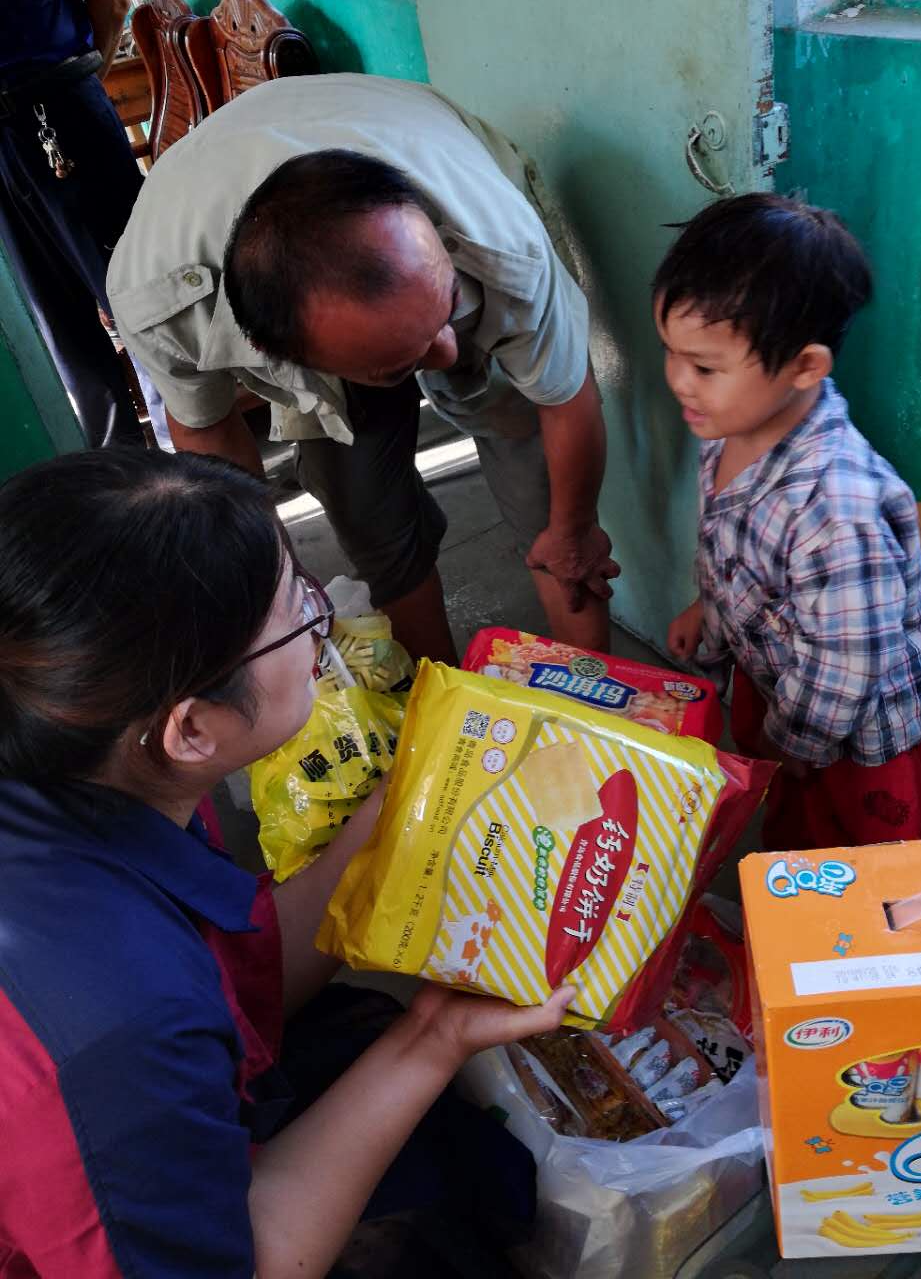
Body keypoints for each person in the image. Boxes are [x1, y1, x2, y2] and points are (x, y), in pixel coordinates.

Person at [0, 446, 573, 1278]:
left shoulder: (93, 763)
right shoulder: (112, 1028)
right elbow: (246, 1261)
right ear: (192, 728)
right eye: (300, 613)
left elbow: (239, 971)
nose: (327, 623)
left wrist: (406, 815)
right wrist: (434, 1036)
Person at [107, 74, 619, 663]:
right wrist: (278, 582)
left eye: (448, 308)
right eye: (398, 363)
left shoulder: (500, 240)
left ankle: (601, 700)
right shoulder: (163, 304)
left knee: (542, 483)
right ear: (283, 363)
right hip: (241, 248)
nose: (449, 355)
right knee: (365, 505)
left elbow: (563, 395)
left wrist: (574, 530)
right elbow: (208, 433)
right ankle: (436, 689)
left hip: (412, 146)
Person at [659, 194, 921, 852]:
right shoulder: (728, 424)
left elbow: (846, 663)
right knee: (794, 832)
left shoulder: (837, 511)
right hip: (780, 675)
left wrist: (799, 747)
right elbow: (732, 553)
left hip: (854, 739)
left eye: (704, 366)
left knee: (860, 868)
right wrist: (707, 608)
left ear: (806, 367)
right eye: (671, 353)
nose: (679, 380)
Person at [0, 0, 169, 449]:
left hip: (63, 109)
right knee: (58, 325)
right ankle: (129, 492)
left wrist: (76, 84)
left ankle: (196, 479)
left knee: (139, 301)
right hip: (32, 122)